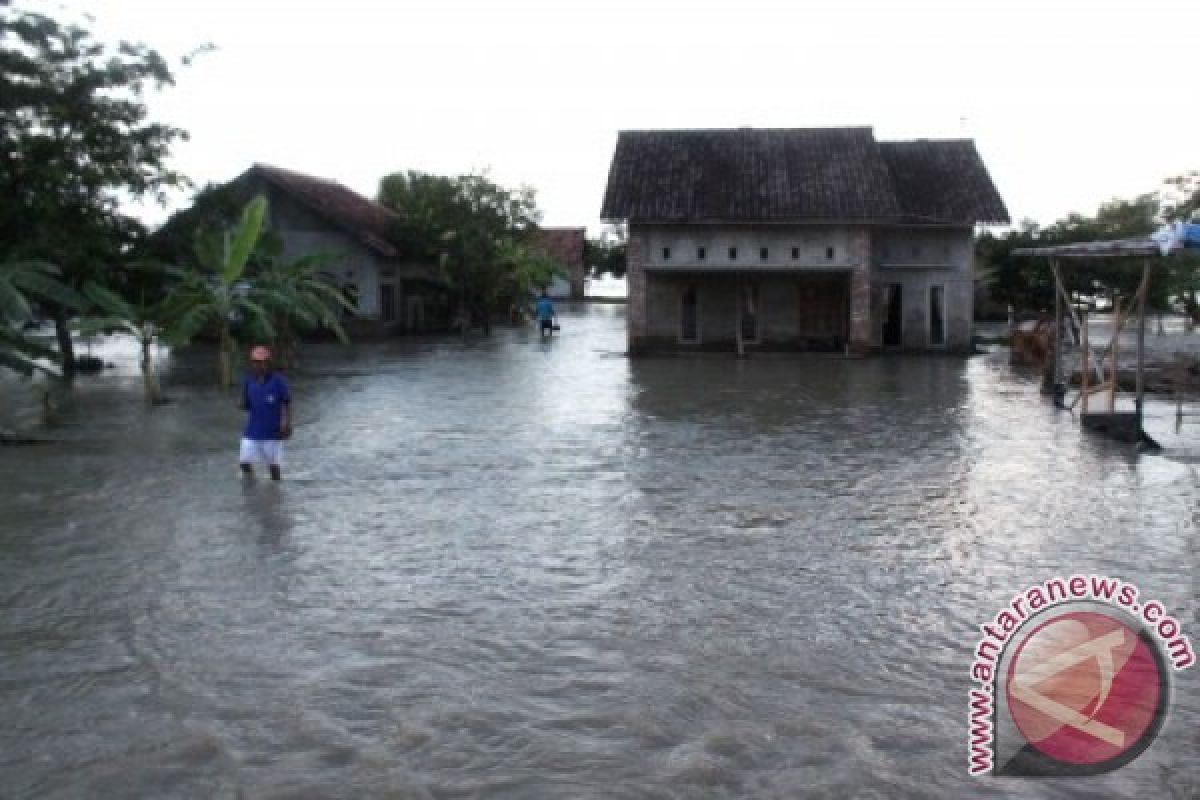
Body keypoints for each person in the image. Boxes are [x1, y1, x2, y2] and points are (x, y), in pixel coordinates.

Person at [238, 345, 291, 481]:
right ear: (251, 363)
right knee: (244, 463)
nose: (259, 365)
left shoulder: (278, 380)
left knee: (273, 467)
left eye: (262, 362)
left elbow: (286, 402)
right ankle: (251, 484)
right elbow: (245, 402)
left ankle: (276, 491)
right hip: (252, 431)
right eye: (256, 362)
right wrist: (242, 405)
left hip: (272, 433)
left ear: (268, 362)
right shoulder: (248, 380)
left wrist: (286, 422)